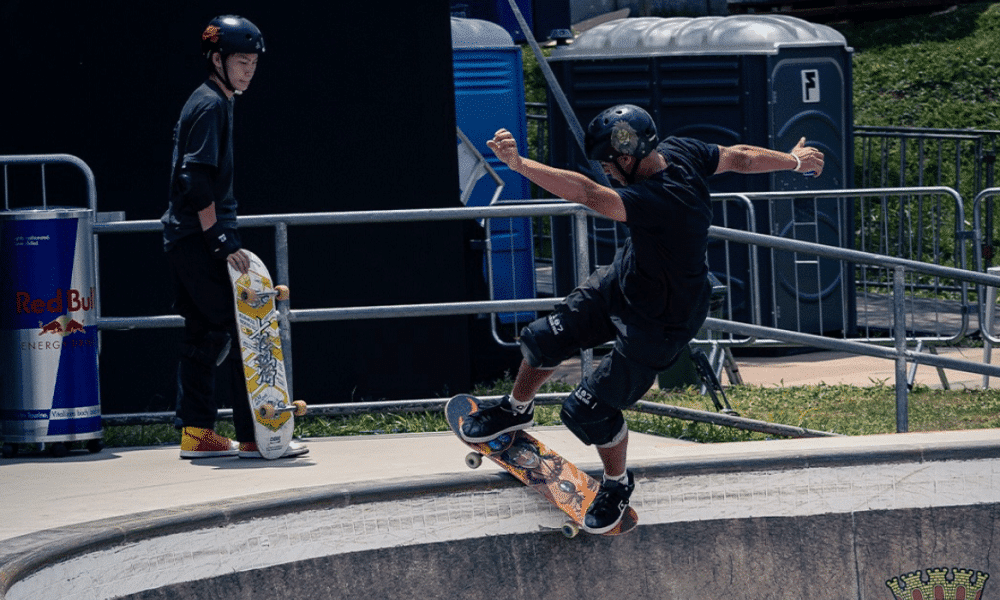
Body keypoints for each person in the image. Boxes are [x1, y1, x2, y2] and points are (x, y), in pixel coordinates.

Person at [462, 104, 824, 532]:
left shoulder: (666, 196)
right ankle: (515, 409)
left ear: (627, 158)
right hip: (625, 281)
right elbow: (740, 157)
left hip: (662, 318)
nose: (607, 172)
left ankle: (616, 483)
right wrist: (795, 160)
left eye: (606, 165)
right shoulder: (680, 149)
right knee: (544, 338)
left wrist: (519, 165)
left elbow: (588, 194)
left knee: (588, 411)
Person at [161, 15, 307, 460]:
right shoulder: (209, 105)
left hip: (186, 238)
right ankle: (254, 436)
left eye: (254, 64)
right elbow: (196, 180)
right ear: (217, 59)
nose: (249, 71)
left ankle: (197, 433)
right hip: (201, 237)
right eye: (241, 61)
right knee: (248, 329)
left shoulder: (214, 101)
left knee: (204, 333)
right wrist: (221, 242)